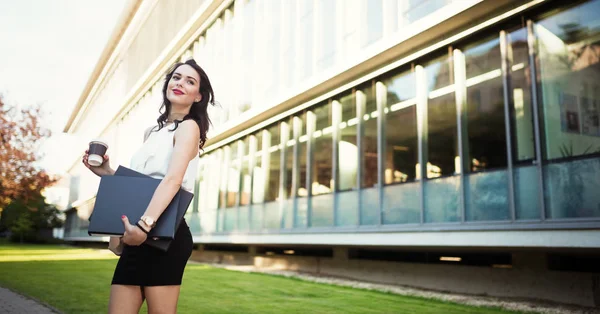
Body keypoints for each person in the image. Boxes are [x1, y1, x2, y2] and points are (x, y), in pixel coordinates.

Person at [82, 59, 215, 314]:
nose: (180, 83)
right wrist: (106, 172)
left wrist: (144, 226)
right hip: (137, 234)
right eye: (176, 77)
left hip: (163, 233)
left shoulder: (189, 128)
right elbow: (140, 183)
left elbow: (173, 180)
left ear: (198, 96)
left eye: (190, 81)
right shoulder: (152, 132)